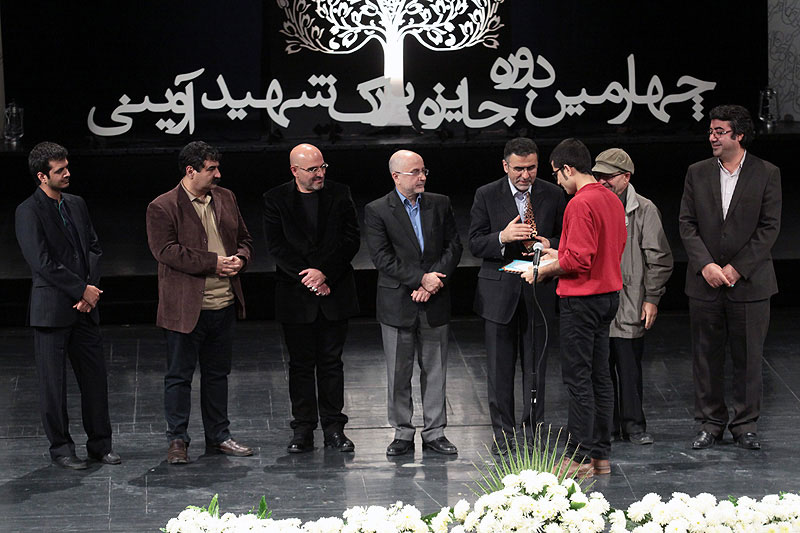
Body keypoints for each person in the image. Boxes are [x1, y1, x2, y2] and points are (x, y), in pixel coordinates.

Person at [679, 105, 781, 451]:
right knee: (706, 357)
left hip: (749, 283)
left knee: (749, 358)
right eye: (711, 131)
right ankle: (710, 423)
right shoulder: (697, 172)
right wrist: (706, 265)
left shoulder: (766, 173)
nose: (712, 137)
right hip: (705, 282)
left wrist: (737, 268)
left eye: (719, 131)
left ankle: (745, 425)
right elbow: (686, 223)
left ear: (739, 135)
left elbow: (769, 227)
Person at [523, 138, 626, 477]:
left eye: (556, 174)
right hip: (607, 297)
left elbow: (579, 261)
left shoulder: (580, 203)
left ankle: (578, 457)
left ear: (568, 169)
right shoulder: (611, 198)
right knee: (600, 377)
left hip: (581, 300)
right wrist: (558, 253)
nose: (557, 181)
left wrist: (541, 271)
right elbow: (603, 248)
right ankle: (600, 455)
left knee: (578, 379)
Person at [146, 141, 254, 464]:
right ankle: (177, 440)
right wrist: (214, 263)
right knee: (179, 377)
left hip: (223, 305)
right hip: (185, 310)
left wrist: (241, 259)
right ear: (190, 171)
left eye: (218, 168)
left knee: (217, 375)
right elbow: (166, 251)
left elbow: (245, 239)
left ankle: (219, 436)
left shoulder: (226, 197)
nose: (218, 174)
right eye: (211, 169)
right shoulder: (163, 206)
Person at [15, 141, 119, 469]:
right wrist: (81, 290)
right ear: (42, 176)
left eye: (67, 167)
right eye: (60, 170)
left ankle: (100, 445)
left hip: (85, 309)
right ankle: (61, 449)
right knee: (53, 386)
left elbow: (93, 248)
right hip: (52, 311)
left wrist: (90, 291)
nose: (67, 173)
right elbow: (41, 262)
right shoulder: (28, 211)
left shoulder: (76, 204)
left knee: (95, 381)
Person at [468, 137, 566, 455]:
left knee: (536, 368)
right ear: (505, 166)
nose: (525, 175)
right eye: (519, 169)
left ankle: (534, 430)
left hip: (538, 290)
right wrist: (502, 236)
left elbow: (565, 236)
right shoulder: (486, 194)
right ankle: (504, 435)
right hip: (499, 294)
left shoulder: (553, 193)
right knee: (500, 371)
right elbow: (475, 243)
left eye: (532, 168)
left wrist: (548, 243)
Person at [262, 143, 360, 454]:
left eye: (322, 167)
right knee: (301, 366)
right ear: (294, 171)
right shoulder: (275, 199)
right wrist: (310, 277)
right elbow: (277, 247)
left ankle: (334, 429)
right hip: (296, 295)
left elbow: (351, 240)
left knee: (332, 364)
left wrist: (324, 273)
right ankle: (303, 429)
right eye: (313, 169)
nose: (320, 174)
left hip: (335, 291)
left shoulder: (340, 193)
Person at [364, 150, 463, 456]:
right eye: (415, 172)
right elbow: (382, 258)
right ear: (396, 177)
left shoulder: (440, 203)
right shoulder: (378, 210)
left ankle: (435, 432)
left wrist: (433, 282)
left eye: (423, 171)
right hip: (398, 302)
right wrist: (421, 279)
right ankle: (402, 433)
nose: (422, 177)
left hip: (435, 299)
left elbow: (453, 247)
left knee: (435, 370)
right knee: (399, 373)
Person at [593, 148, 673, 445]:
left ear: (626, 177)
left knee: (628, 368)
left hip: (630, 302)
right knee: (601, 370)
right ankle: (608, 426)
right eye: (598, 175)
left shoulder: (644, 209)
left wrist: (652, 298)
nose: (602, 181)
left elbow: (659, 258)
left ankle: (634, 426)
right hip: (599, 301)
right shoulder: (592, 204)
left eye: (609, 176)